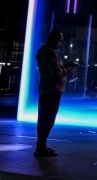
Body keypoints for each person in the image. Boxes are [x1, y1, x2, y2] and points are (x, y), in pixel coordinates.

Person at [34, 29, 76, 157]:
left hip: (45, 89)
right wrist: (67, 69)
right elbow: (56, 73)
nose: (60, 44)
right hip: (53, 90)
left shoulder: (42, 52)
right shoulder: (51, 54)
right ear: (54, 39)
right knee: (49, 119)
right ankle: (41, 147)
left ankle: (41, 145)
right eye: (60, 41)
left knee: (43, 118)